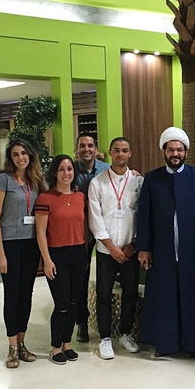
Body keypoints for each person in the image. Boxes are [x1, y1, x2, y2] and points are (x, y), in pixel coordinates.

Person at [136, 126, 195, 357]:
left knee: (193, 296)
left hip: (192, 250)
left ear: (186, 152)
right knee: (165, 297)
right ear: (164, 151)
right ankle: (165, 344)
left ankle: (193, 344)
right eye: (171, 149)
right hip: (162, 250)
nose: (175, 154)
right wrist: (144, 248)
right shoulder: (152, 178)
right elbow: (145, 216)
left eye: (179, 150)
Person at [0, 138, 44, 368]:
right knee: (12, 295)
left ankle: (22, 343)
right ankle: (12, 347)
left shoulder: (36, 180)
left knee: (26, 295)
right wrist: (0, 254)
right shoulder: (3, 180)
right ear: (10, 158)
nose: (21, 158)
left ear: (30, 155)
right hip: (9, 244)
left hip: (31, 244)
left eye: (24, 153)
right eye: (15, 154)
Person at [88, 137, 144, 360]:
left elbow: (143, 216)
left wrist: (133, 245)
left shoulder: (138, 182)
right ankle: (105, 339)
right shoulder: (97, 183)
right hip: (106, 251)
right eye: (117, 150)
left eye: (125, 150)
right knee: (104, 295)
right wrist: (111, 247)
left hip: (130, 250)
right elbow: (95, 218)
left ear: (130, 153)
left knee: (130, 293)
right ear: (110, 153)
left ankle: (125, 334)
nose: (121, 154)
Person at [35, 155, 87, 365]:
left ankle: (67, 343)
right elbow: (40, 233)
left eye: (70, 169)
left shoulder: (80, 196)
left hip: (78, 253)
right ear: (55, 173)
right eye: (62, 169)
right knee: (62, 303)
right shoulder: (46, 198)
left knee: (74, 302)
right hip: (56, 254)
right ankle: (55, 346)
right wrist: (47, 260)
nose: (66, 173)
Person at [73, 133, 110, 342]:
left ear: (96, 149)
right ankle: (82, 322)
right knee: (81, 278)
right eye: (82, 145)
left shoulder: (107, 170)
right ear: (76, 149)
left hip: (106, 230)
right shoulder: (69, 170)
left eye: (90, 145)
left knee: (108, 274)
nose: (86, 149)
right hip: (81, 232)